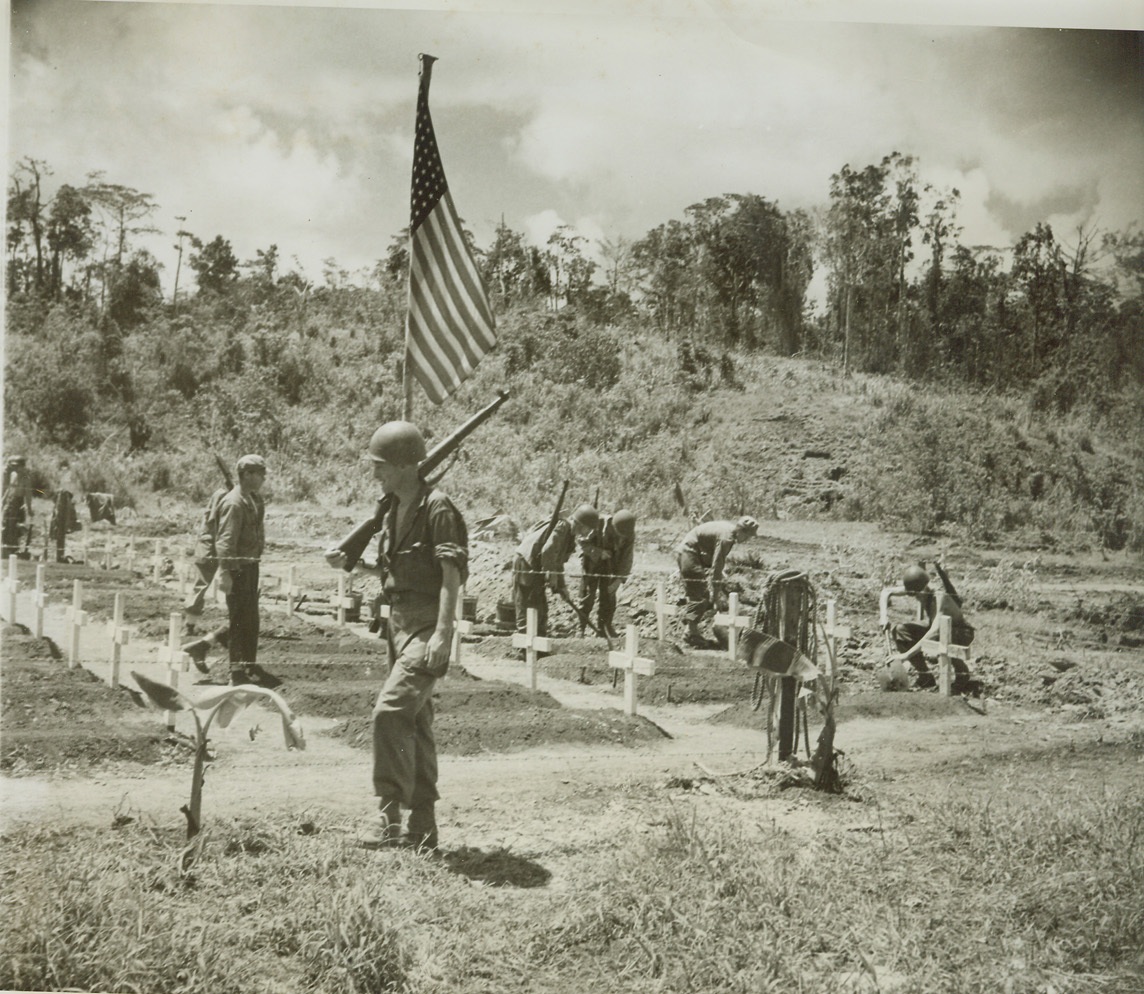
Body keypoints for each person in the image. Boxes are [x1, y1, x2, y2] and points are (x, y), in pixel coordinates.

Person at [324, 421, 468, 852]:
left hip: (427, 626)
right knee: (416, 722)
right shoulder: (390, 508)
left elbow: (451, 576)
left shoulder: (439, 509)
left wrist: (444, 633)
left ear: (407, 466)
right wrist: (351, 564)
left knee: (389, 712)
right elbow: (396, 569)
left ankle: (388, 816)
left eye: (382, 466)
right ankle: (423, 826)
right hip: (399, 623)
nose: (375, 474)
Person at [182, 455, 266, 685]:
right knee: (240, 620)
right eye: (259, 473)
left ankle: (211, 650)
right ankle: (237, 673)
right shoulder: (234, 503)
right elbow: (225, 542)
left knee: (249, 619)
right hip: (237, 569)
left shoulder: (251, 499)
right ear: (247, 475)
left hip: (250, 566)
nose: (263, 478)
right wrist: (225, 572)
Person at [512, 503, 600, 643]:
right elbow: (548, 552)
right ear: (581, 525)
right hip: (526, 564)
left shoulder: (569, 536)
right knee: (528, 605)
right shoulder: (563, 527)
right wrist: (551, 575)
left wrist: (562, 586)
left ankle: (539, 644)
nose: (588, 533)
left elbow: (557, 562)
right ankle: (524, 646)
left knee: (540, 608)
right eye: (588, 529)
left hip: (535, 566)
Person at [880, 564, 974, 688]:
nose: (917, 597)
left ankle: (962, 673)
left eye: (919, 594)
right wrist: (883, 617)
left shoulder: (940, 597)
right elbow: (886, 592)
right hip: (940, 630)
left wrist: (905, 656)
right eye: (914, 594)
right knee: (900, 631)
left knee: (941, 637)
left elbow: (935, 631)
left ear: (925, 588)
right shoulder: (917, 588)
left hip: (961, 633)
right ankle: (925, 677)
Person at [675, 515, 759, 647]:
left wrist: (719, 580)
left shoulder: (729, 532)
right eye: (748, 536)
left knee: (700, 593)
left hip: (694, 552)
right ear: (741, 531)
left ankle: (691, 629)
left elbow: (716, 560)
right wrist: (716, 595)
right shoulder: (727, 538)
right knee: (700, 593)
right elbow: (717, 564)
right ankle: (690, 633)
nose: (747, 540)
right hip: (689, 552)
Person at [577, 509, 636, 638]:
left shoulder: (629, 533)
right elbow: (582, 541)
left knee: (609, 597)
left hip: (610, 564)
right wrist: (598, 553)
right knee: (587, 595)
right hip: (591, 562)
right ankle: (580, 628)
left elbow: (627, 558)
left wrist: (618, 580)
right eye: (618, 534)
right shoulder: (597, 523)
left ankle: (604, 628)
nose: (621, 538)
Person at [184, 484, 229, 617]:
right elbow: (213, 520)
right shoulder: (222, 494)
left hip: (216, 543)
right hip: (209, 544)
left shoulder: (228, 494)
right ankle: (189, 626)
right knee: (200, 585)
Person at [1, 455, 35, 558]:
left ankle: (12, 551)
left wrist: (29, 509)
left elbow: (28, 495)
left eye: (18, 466)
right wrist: (2, 501)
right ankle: (5, 550)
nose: (16, 468)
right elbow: (9, 489)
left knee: (14, 527)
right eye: (14, 466)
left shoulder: (26, 478)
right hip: (9, 502)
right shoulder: (13, 474)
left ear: (23, 467)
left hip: (18, 504)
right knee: (5, 525)